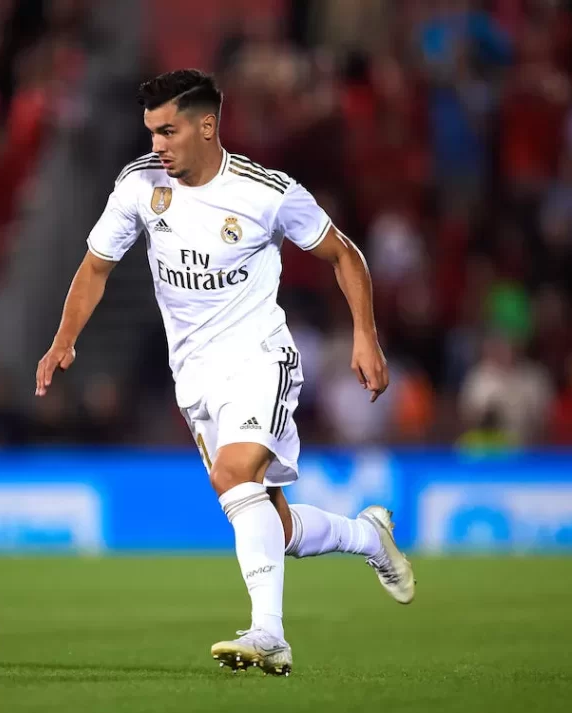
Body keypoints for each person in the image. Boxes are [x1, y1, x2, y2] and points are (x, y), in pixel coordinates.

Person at [35, 69, 414, 675]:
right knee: (274, 525)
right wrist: (64, 339)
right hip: (194, 376)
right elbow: (96, 266)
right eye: (151, 132)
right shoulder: (139, 185)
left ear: (207, 126)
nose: (156, 145)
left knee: (232, 474)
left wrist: (365, 336)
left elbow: (344, 255)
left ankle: (270, 635)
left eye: (168, 131)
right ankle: (368, 536)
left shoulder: (267, 193)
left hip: (260, 356)